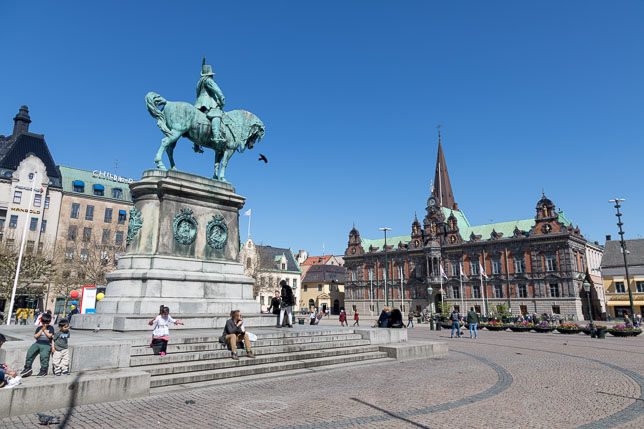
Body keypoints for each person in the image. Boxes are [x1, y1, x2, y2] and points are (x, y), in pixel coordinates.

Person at [195, 57, 226, 150]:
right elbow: (216, 89)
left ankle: (196, 144)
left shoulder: (199, 82)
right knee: (216, 115)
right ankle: (216, 136)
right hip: (207, 102)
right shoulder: (208, 80)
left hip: (198, 103)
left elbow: (197, 93)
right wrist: (222, 98)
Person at [20, 312, 54, 377]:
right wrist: (41, 330)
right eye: (43, 323)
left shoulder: (51, 328)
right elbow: (35, 336)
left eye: (46, 323)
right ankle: (27, 367)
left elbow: (50, 336)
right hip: (38, 342)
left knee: (44, 356)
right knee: (30, 352)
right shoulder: (39, 328)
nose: (45, 324)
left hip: (46, 344)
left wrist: (44, 330)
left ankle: (43, 370)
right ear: (41, 321)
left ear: (49, 322)